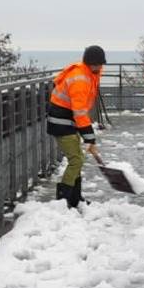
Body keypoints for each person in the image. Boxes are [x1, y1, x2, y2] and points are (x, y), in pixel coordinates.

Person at [47, 45, 106, 208]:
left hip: (70, 121)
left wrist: (87, 134)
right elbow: (79, 111)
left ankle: (75, 197)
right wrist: (89, 136)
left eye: (101, 64)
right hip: (62, 123)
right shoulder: (80, 79)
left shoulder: (89, 74)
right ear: (89, 63)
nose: (100, 67)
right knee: (76, 160)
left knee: (77, 158)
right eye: (97, 64)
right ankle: (64, 200)